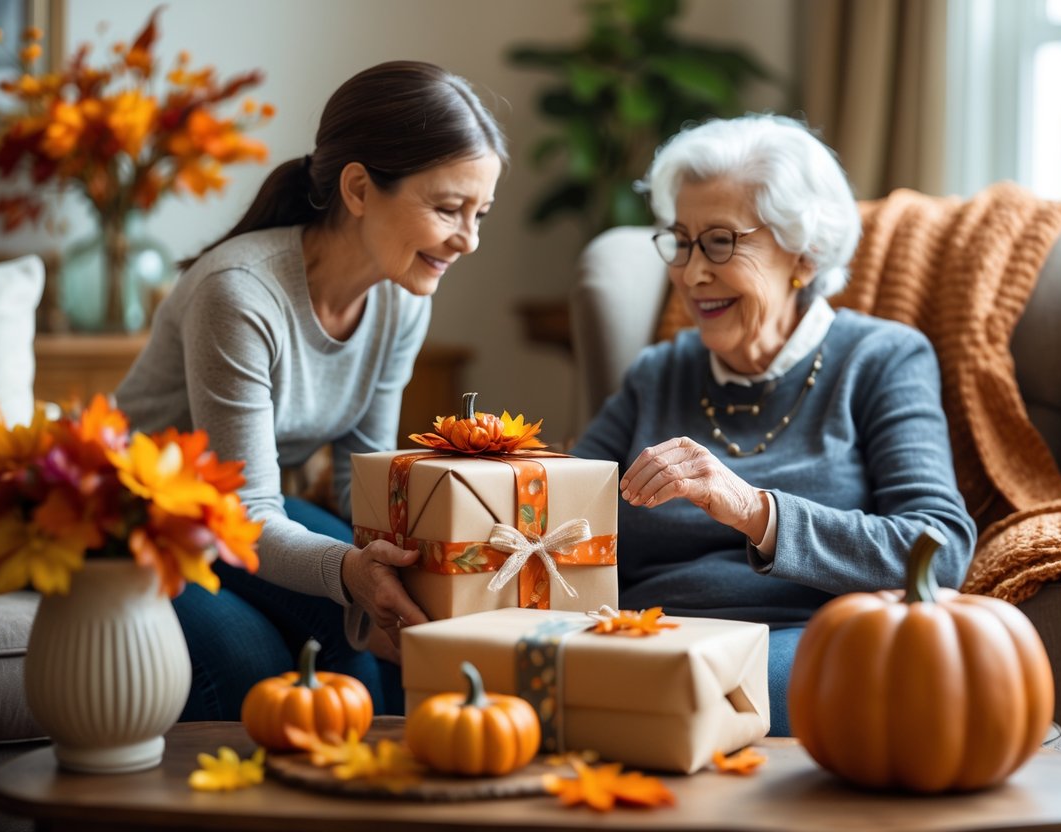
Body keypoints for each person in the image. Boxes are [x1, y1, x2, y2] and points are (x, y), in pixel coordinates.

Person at [115, 61, 506, 720]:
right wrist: (352, 573)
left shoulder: (402, 296)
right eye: (447, 209)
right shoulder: (238, 295)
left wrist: (418, 560)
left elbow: (366, 482)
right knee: (253, 665)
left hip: (240, 515)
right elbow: (248, 509)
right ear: (358, 188)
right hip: (141, 521)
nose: (467, 240)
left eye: (480, 213)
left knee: (360, 649)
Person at [569, 114, 976, 736]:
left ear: (805, 257)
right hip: (638, 633)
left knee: (694, 695)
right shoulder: (659, 372)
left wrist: (754, 510)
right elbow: (564, 507)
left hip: (797, 641)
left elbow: (938, 549)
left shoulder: (882, 359)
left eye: (721, 242)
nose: (692, 273)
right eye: (680, 241)